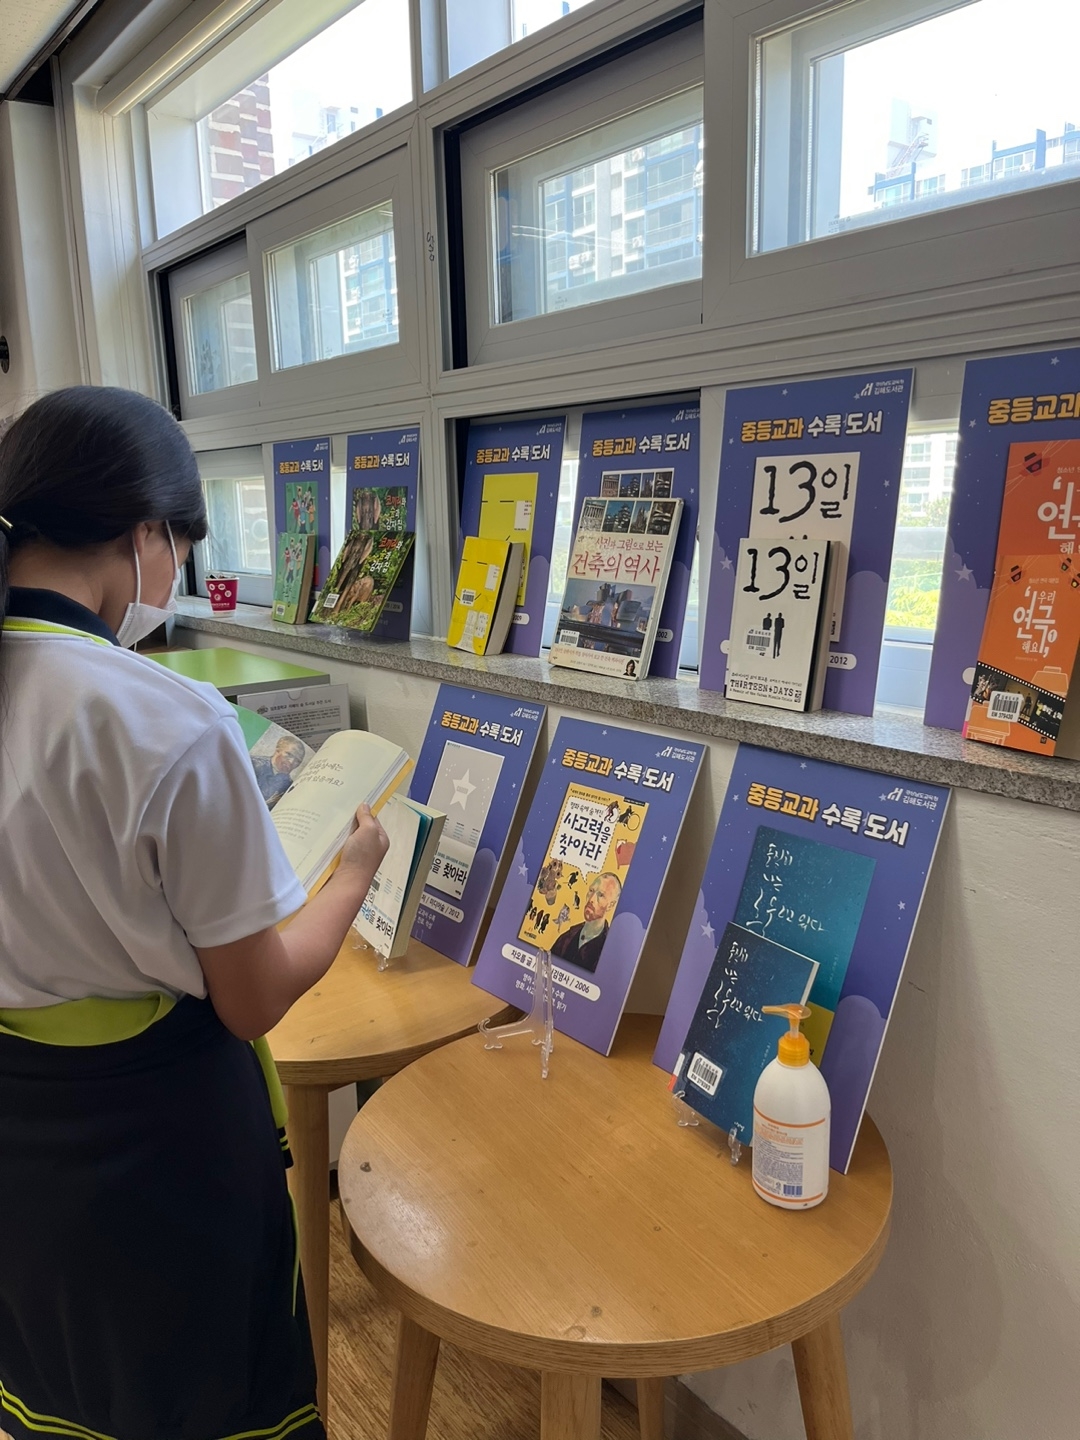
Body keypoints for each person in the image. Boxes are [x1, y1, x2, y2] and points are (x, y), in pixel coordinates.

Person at [0, 386, 389, 1440]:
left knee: (58, 1397)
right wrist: (351, 875)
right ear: (144, 535)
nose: (173, 575)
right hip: (157, 1145)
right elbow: (253, 999)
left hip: (21, 1142)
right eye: (180, 546)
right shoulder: (164, 716)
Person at [550, 872, 622, 974]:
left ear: (611, 905)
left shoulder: (608, 950)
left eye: (601, 895)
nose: (591, 899)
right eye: (591, 890)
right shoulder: (566, 938)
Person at [253, 733, 309, 808]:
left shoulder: (290, 785)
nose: (291, 762)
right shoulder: (253, 764)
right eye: (289, 754)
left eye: (297, 761)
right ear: (278, 750)